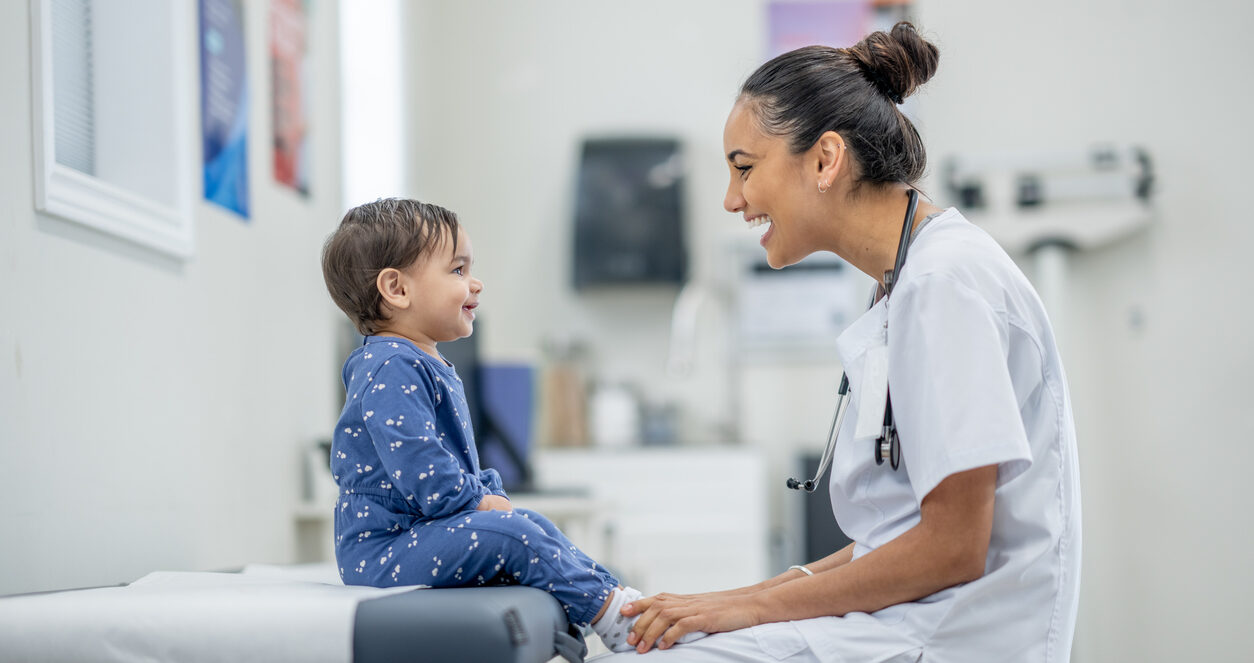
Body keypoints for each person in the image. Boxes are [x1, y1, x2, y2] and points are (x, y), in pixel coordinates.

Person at [593, 22, 1082, 662]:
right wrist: (732, 602)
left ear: (825, 159)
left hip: (948, 637)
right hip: (909, 625)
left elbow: (952, 546)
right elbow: (896, 536)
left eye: (744, 169)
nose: (731, 200)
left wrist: (745, 608)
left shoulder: (944, 284)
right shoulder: (906, 282)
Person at [320, 198, 705, 652]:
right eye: (458, 270)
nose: (475, 283)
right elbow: (423, 471)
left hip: (413, 535)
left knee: (531, 523)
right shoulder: (390, 366)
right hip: (384, 550)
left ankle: (618, 601)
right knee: (516, 534)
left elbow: (449, 464)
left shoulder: (420, 360)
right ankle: (618, 619)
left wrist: (486, 494)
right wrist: (479, 501)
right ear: (397, 289)